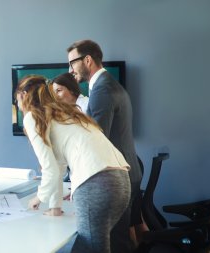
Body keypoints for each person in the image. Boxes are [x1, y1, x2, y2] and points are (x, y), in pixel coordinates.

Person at [16, 75, 131, 253]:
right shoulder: (65, 112)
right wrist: (55, 207)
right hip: (121, 180)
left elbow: (50, 169)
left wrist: (39, 198)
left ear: (23, 94)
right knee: (89, 247)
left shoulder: (32, 117)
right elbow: (59, 165)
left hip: (96, 182)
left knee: (90, 248)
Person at [67, 39, 142, 252]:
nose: (70, 70)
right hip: (128, 171)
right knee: (120, 240)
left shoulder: (102, 90)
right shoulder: (108, 84)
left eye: (72, 63)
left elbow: (97, 141)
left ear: (88, 60)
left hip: (116, 177)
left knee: (116, 242)